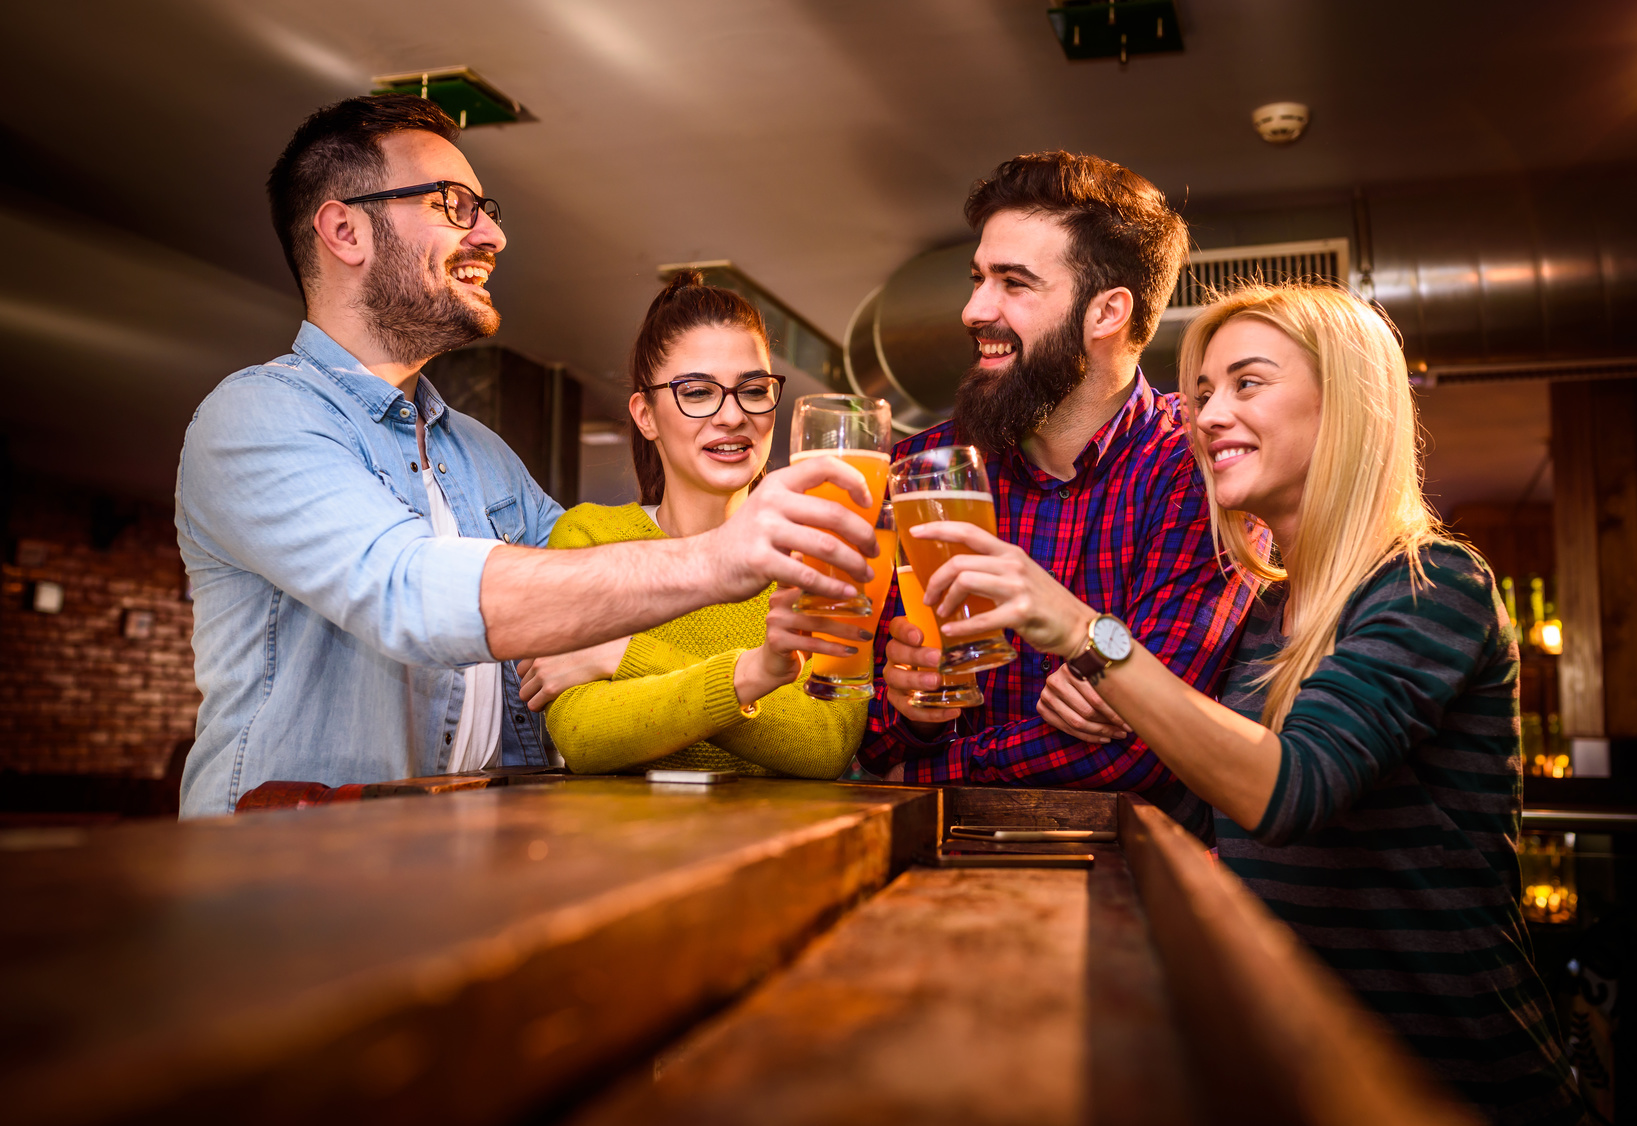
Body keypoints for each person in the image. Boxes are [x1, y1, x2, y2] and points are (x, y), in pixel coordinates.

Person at [910, 284, 1584, 1124]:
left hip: (1448, 1080)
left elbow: (1289, 789)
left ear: (1346, 404)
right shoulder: (1267, 615)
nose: (1207, 416)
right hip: (1301, 1067)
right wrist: (1110, 704)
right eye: (1199, 395)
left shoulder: (1430, 582)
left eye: (1247, 383)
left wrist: (1091, 637)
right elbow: (1205, 803)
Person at [174, 96, 876, 817]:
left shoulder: (483, 457)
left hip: (465, 857)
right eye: (454, 205)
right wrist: (727, 558)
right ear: (346, 230)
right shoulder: (256, 415)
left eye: (486, 208)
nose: (493, 234)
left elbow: (598, 587)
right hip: (293, 875)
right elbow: (409, 595)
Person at [859, 151, 1261, 788]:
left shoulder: (1202, 469)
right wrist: (915, 716)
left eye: (1013, 283)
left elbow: (1153, 748)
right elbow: (858, 721)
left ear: (1107, 313)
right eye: (978, 278)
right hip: (922, 864)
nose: (973, 310)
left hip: (1123, 875)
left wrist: (928, 770)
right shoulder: (918, 470)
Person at [514, 273, 867, 777]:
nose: (731, 415)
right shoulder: (588, 537)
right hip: (623, 851)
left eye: (753, 389)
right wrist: (752, 677)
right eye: (697, 392)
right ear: (646, 415)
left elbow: (824, 742)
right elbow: (586, 735)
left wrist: (626, 654)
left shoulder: (820, 549)